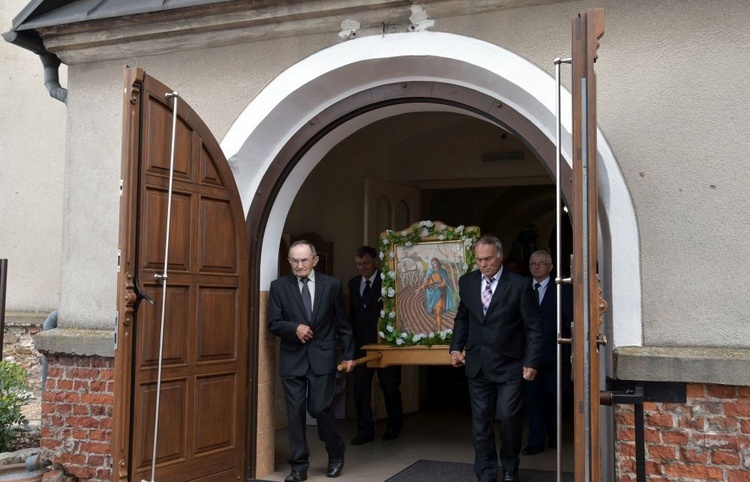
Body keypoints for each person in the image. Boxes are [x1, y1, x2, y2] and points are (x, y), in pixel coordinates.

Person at [449, 235, 542, 482]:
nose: (483, 264)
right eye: (479, 259)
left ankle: (510, 467)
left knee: (509, 418)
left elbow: (533, 327)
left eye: (488, 258)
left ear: (499, 256)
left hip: (511, 365)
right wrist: (455, 349)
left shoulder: (520, 285)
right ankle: (487, 473)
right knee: (480, 425)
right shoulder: (467, 282)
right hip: (478, 366)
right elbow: (463, 317)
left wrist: (531, 362)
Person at [268, 240, 355, 482]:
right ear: (289, 261)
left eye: (304, 259)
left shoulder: (332, 285)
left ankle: (336, 451)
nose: (299, 265)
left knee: (320, 409)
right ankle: (299, 467)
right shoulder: (279, 287)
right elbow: (273, 322)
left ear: (315, 260)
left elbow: (344, 325)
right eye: (294, 260)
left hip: (323, 358)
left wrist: (348, 355)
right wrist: (293, 328)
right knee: (295, 414)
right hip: (292, 360)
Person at [348, 246, 404, 445]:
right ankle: (365, 431)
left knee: (390, 386)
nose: (361, 267)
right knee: (361, 388)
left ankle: (393, 426)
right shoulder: (353, 284)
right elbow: (353, 316)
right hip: (361, 345)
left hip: (385, 344)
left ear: (374, 262)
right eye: (358, 264)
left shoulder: (388, 281)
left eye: (365, 263)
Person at [522, 250, 574, 456]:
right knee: (532, 400)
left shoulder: (562, 289)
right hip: (528, 357)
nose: (537, 267)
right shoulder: (523, 288)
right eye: (533, 263)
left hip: (555, 355)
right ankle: (535, 440)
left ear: (551, 267)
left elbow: (570, 321)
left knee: (554, 398)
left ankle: (555, 436)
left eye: (541, 263)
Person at [419, 257, 454, 331]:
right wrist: (420, 287)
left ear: (438, 262)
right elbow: (425, 282)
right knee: (435, 312)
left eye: (435, 263)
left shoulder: (442, 271)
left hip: (440, 293)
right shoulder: (430, 271)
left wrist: (438, 286)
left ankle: (439, 328)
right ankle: (438, 324)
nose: (434, 265)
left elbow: (444, 283)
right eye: (432, 264)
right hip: (431, 293)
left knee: (438, 312)